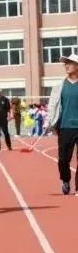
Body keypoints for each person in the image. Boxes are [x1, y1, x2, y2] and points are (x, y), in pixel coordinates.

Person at [48, 52, 78, 195]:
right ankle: (65, 180)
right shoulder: (60, 86)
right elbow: (52, 105)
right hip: (65, 127)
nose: (67, 65)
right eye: (65, 63)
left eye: (70, 63)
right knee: (63, 160)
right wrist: (50, 122)